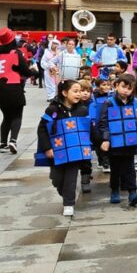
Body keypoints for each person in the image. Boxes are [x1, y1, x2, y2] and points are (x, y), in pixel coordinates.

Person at [36, 80, 92, 217]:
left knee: (71, 178)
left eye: (80, 91)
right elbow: (42, 129)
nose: (79, 94)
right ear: (65, 93)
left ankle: (68, 203)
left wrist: (102, 141)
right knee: (57, 179)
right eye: (75, 91)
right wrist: (47, 148)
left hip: (74, 152)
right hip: (57, 152)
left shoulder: (82, 110)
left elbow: (90, 128)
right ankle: (66, 194)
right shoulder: (53, 109)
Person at [0, 28, 32, 153]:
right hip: (13, 88)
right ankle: (13, 141)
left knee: (6, 117)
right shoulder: (16, 53)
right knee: (17, 116)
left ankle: (3, 144)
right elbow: (25, 71)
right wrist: (34, 72)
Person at [98, 73, 137, 206]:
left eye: (129, 88)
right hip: (114, 143)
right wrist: (105, 139)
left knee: (130, 168)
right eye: (123, 87)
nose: (126, 90)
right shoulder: (109, 103)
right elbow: (103, 123)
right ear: (116, 85)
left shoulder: (135, 102)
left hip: (130, 142)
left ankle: (132, 192)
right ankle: (115, 190)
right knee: (115, 169)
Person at [89, 78, 112, 173]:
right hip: (97, 123)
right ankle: (102, 161)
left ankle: (106, 162)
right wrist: (92, 120)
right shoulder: (93, 97)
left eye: (108, 85)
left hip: (107, 122)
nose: (106, 87)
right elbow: (91, 108)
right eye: (103, 85)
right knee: (99, 143)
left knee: (107, 141)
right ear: (98, 86)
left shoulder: (111, 96)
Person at [77, 79, 95, 193]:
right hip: (76, 135)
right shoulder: (74, 105)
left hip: (88, 136)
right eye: (82, 91)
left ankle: (85, 181)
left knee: (86, 159)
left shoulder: (92, 104)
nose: (85, 93)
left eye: (88, 91)